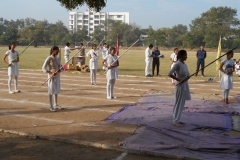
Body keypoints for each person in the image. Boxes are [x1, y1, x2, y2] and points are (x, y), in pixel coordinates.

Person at [168, 50, 191, 127]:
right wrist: (178, 80)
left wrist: (186, 78)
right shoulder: (177, 64)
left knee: (182, 103)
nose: (186, 57)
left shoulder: (185, 64)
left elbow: (188, 75)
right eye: (185, 55)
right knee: (178, 103)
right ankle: (175, 120)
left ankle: (178, 119)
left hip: (185, 85)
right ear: (181, 56)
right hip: (180, 86)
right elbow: (169, 73)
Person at [42, 46, 63, 112]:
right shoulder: (49, 58)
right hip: (51, 76)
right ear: (53, 50)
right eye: (57, 50)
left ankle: (55, 104)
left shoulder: (58, 58)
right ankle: (51, 106)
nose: (58, 52)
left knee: (56, 89)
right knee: (51, 90)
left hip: (57, 76)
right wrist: (51, 72)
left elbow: (61, 67)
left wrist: (60, 70)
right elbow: (43, 68)